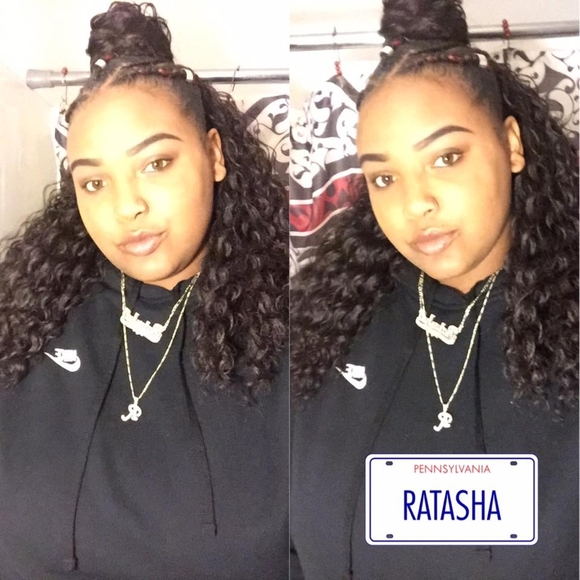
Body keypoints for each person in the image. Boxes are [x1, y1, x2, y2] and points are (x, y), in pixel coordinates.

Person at [290, 0, 578, 578]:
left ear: (511, 144)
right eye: (385, 176)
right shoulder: (321, 331)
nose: (415, 203)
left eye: (446, 157)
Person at [0, 3, 288, 579]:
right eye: (94, 182)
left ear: (213, 155)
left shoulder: (299, 337)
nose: (126, 206)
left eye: (155, 164)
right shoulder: (24, 319)